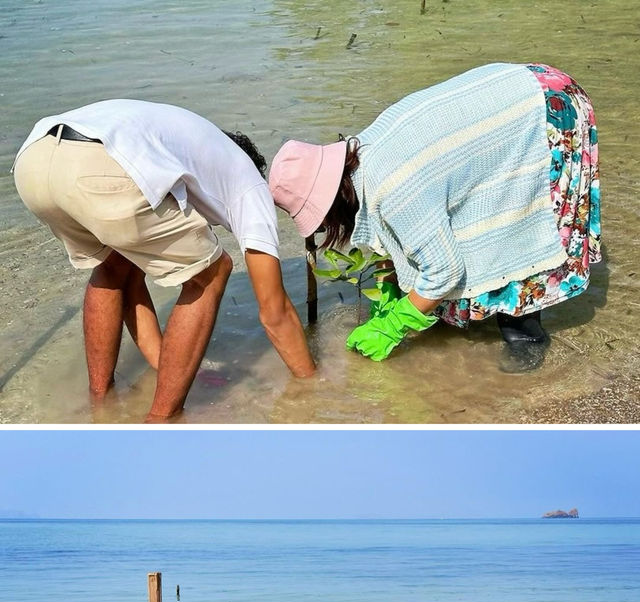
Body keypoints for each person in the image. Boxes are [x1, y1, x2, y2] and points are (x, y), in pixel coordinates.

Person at [268, 63, 601, 371]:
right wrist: (394, 286)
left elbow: (445, 270)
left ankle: (526, 334)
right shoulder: (364, 150)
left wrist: (394, 326)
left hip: (547, 110)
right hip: (526, 83)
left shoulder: (394, 189)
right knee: (472, 227)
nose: (329, 227)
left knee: (521, 223)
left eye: (325, 220)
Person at [13, 100, 315, 421]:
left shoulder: (189, 145)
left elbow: (130, 289)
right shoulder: (249, 182)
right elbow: (274, 311)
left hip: (33, 160)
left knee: (114, 267)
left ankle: (101, 403)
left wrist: (166, 366)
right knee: (212, 272)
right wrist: (312, 384)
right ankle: (162, 420)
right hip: (101, 164)